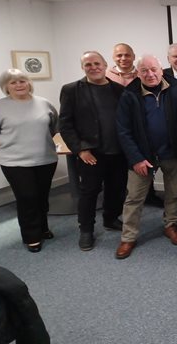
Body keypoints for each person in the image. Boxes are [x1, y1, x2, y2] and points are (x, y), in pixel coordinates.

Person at [114, 55, 177, 259]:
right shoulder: (129, 96)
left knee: (173, 192)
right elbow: (123, 130)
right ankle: (128, 237)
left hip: (172, 153)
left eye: (153, 69)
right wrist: (136, 158)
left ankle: (171, 225)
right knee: (134, 198)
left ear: (161, 69)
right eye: (144, 70)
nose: (150, 74)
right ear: (138, 73)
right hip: (142, 156)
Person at [59, 51, 127, 251]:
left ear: (105, 65)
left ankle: (111, 218)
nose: (93, 67)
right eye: (88, 64)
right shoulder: (71, 90)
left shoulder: (118, 90)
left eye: (97, 63)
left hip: (118, 152)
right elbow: (65, 125)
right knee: (89, 193)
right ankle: (86, 230)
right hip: (91, 154)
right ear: (83, 68)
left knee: (117, 189)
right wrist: (80, 150)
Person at [0, 69, 58, 252]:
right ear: (6, 87)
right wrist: (14, 146)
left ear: (28, 83)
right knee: (27, 198)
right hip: (14, 163)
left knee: (42, 197)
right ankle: (31, 236)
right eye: (13, 82)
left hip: (45, 159)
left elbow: (54, 127)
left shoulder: (44, 103)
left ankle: (43, 228)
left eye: (22, 81)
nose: (19, 85)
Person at [106, 42, 163, 207]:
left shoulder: (141, 73)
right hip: (118, 130)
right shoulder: (107, 76)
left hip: (141, 131)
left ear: (132, 56)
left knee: (146, 166)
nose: (123, 58)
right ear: (113, 58)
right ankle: (119, 205)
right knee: (121, 175)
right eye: (119, 55)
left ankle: (149, 195)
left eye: (127, 55)